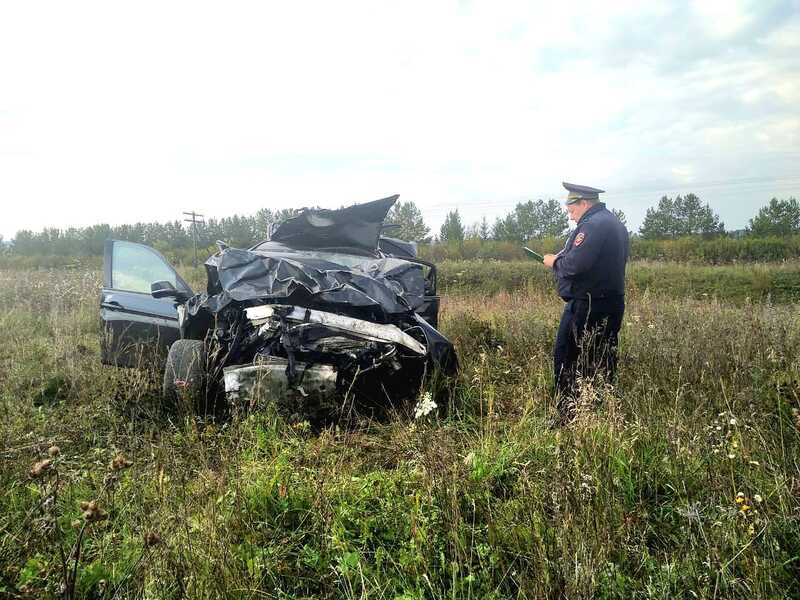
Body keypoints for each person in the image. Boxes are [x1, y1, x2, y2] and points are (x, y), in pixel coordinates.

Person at [542, 182, 629, 423]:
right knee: (602, 357)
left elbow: (574, 265)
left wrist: (553, 261)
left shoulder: (592, 225)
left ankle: (567, 416)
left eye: (571, 209)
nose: (570, 215)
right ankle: (601, 412)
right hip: (609, 302)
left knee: (568, 357)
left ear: (583, 203)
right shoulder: (613, 222)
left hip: (588, 305)